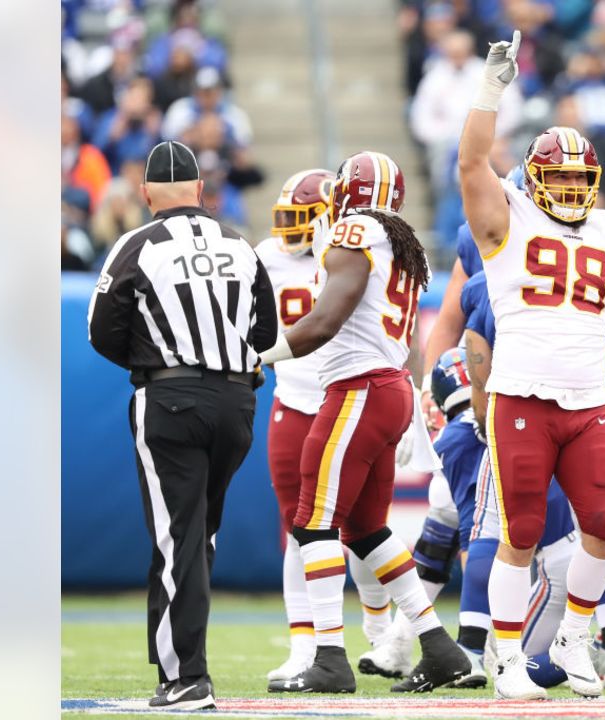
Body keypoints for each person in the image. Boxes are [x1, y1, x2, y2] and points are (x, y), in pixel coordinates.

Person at [456, 31, 605, 700]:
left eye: (583, 178)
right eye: (562, 177)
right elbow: (469, 165)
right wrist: (491, 90)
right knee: (520, 533)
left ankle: (578, 635)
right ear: (534, 179)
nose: (574, 188)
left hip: (589, 403)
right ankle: (509, 657)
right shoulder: (507, 217)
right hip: (523, 397)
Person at [259, 151, 469, 694]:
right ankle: (439, 648)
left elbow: (326, 320)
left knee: (311, 520)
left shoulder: (356, 231)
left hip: (358, 387)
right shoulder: (402, 243)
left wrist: (258, 355)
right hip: (389, 387)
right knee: (367, 529)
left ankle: (328, 656)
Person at [87, 140, 277, 710]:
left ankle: (186, 676)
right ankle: (186, 662)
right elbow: (264, 334)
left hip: (170, 400)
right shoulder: (239, 245)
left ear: (146, 195)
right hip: (237, 404)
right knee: (197, 538)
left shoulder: (136, 244)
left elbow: (101, 330)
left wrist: (158, 363)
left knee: (177, 542)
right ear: (201, 191)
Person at [254, 168, 415, 686]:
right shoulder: (266, 257)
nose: (293, 231)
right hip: (296, 398)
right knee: (302, 530)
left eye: (305, 219)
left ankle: (378, 626)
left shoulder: (354, 241)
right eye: (288, 220)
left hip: (349, 394)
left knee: (359, 527)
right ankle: (308, 645)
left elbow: (367, 326)